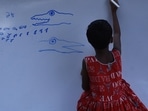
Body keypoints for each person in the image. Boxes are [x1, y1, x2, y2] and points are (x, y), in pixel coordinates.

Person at [77, 0, 148, 110]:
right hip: (121, 104)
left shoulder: (87, 61)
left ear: (89, 41)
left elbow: (85, 87)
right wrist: (114, 12)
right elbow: (117, 34)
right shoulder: (117, 55)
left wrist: (84, 74)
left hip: (99, 107)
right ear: (111, 40)